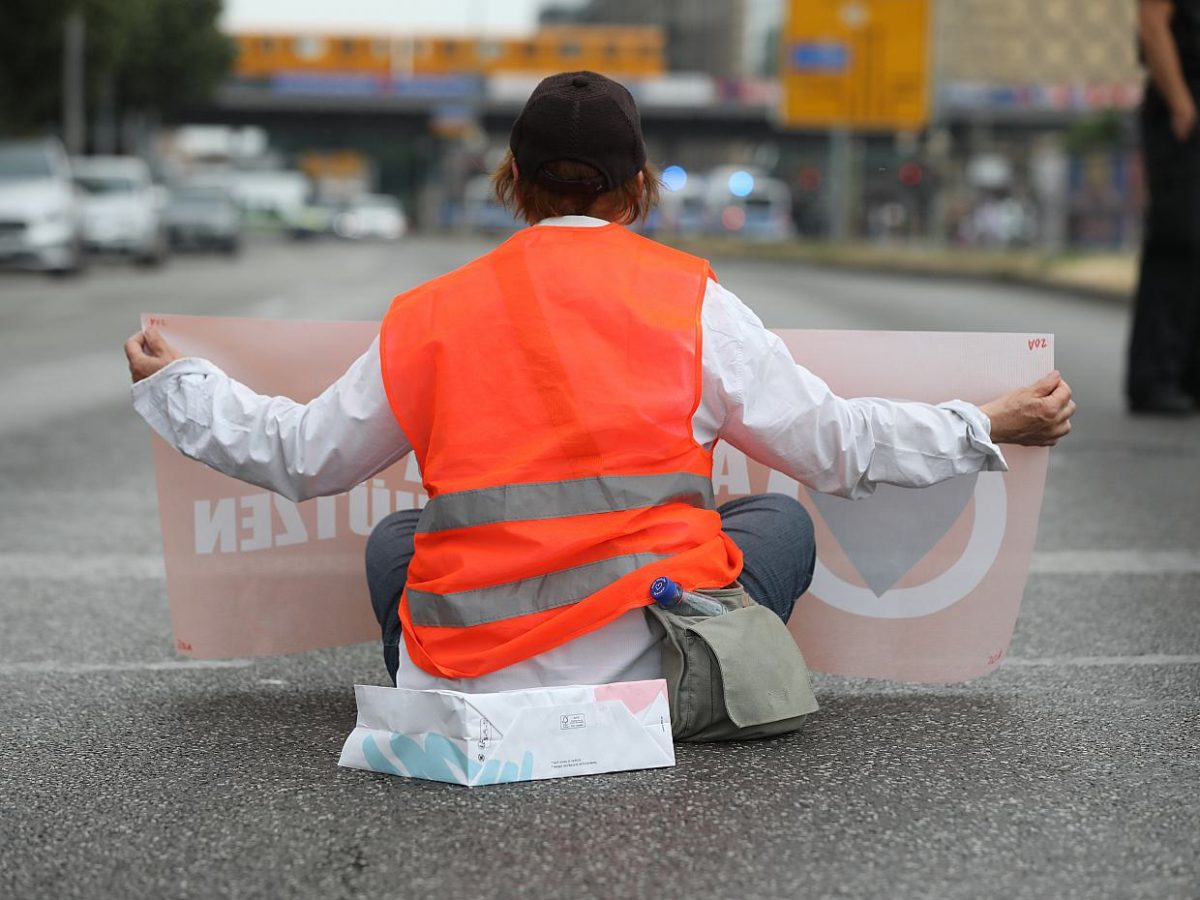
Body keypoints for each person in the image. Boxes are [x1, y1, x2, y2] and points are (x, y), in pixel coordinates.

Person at [126, 71, 1075, 695]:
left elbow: (303, 457)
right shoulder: (690, 301)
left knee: (396, 543)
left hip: (466, 673)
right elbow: (836, 448)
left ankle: (436, 674)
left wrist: (182, 388)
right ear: (636, 192)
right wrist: (983, 424)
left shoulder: (431, 311)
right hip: (655, 670)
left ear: (515, 182)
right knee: (776, 523)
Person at [1128, 0, 1200, 415]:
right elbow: (1152, 24)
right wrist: (1181, 105)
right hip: (1184, 105)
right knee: (1179, 240)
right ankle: (1155, 378)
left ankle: (1188, 375)